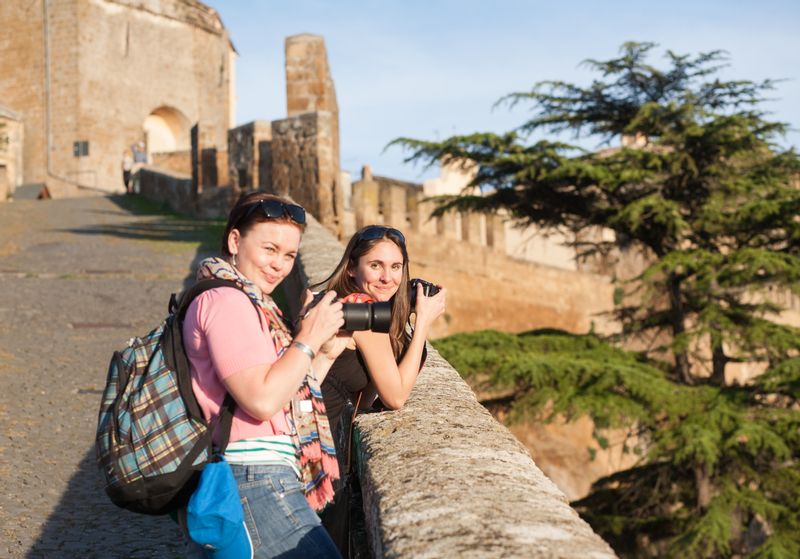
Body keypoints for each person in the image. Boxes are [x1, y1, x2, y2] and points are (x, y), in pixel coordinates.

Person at [181, 192, 348, 558]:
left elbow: (283, 395)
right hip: (250, 476)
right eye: (269, 249)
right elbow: (260, 401)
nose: (280, 265)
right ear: (235, 241)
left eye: (289, 255)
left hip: (266, 472)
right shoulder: (225, 301)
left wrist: (324, 352)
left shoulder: (254, 303)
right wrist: (307, 336)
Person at [317, 225, 446, 555]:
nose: (388, 277)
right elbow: (396, 397)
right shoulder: (360, 310)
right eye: (375, 265)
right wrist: (423, 326)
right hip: (320, 463)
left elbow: (369, 392)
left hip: (322, 453)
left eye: (396, 267)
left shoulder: (345, 305)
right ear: (352, 267)